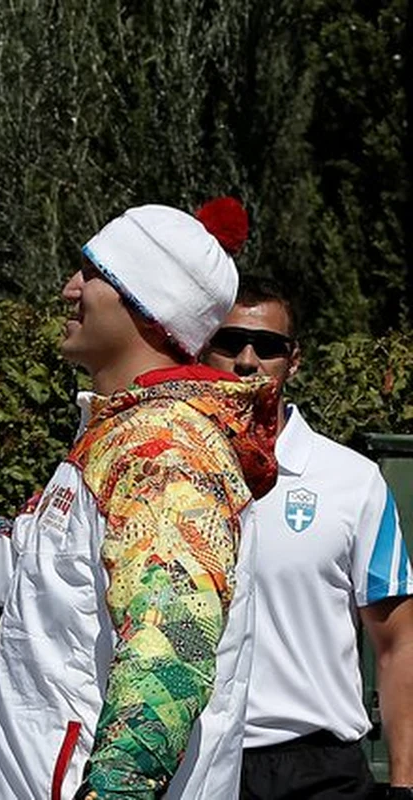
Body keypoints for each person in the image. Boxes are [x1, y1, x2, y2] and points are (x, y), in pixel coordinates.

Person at [0, 199, 280, 798]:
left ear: (145, 307)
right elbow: (25, 573)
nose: (69, 289)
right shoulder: (118, 436)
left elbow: (169, 657)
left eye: (92, 273)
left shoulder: (164, 455)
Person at [200, 277, 413, 800]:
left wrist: (405, 784)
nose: (247, 361)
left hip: (318, 771)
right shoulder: (164, 472)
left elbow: (398, 642)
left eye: (268, 347)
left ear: (293, 361)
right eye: (229, 343)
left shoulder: (353, 481)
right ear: (203, 351)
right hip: (197, 763)